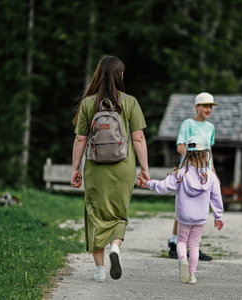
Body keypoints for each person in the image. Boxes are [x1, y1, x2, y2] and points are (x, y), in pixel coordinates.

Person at [71, 55, 150, 282]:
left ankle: (99, 271)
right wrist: (144, 170)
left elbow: (80, 140)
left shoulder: (88, 103)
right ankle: (115, 247)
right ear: (120, 75)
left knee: (96, 213)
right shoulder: (130, 102)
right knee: (118, 214)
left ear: (98, 75)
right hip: (123, 166)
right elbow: (139, 139)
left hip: (96, 167)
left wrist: (75, 169)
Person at [139, 135, 223, 284]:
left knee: (182, 241)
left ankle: (183, 259)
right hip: (200, 217)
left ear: (187, 155)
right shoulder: (210, 176)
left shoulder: (180, 174)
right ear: (205, 154)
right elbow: (216, 197)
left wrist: (149, 184)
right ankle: (192, 275)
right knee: (195, 245)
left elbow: (163, 186)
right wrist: (218, 216)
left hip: (184, 216)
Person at [168, 92, 218, 261]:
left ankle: (194, 246)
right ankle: (175, 242)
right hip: (190, 170)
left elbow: (209, 151)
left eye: (210, 106)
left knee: (200, 209)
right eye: (205, 106)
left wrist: (213, 172)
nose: (208, 109)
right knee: (184, 207)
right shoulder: (187, 124)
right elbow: (180, 146)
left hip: (205, 172)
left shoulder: (210, 127)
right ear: (197, 107)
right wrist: (193, 155)